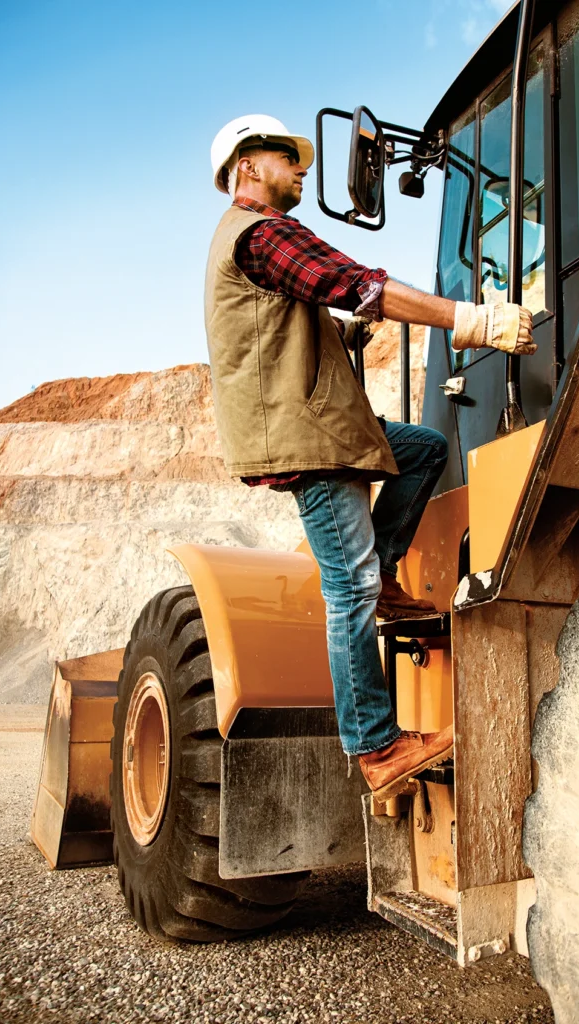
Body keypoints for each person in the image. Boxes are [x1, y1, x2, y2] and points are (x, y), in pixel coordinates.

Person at [204, 115, 536, 801]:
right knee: (346, 589)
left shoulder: (248, 243)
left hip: (325, 427)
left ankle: (384, 574)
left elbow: (299, 317)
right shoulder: (260, 232)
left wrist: (344, 326)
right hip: (309, 440)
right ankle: (377, 747)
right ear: (246, 167)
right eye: (285, 158)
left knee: (423, 449)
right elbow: (355, 279)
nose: (300, 168)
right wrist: (471, 321)